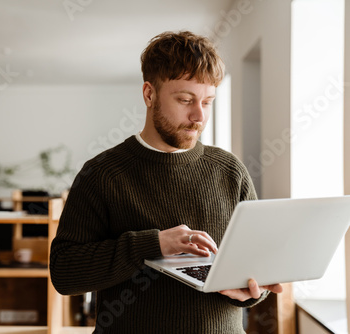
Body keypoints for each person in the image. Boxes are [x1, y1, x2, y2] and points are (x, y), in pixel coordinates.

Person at [50, 30, 282, 334]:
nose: (199, 116)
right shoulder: (101, 174)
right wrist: (153, 244)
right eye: (185, 100)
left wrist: (251, 292)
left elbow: (254, 266)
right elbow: (65, 274)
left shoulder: (230, 170)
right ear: (149, 94)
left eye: (208, 102)